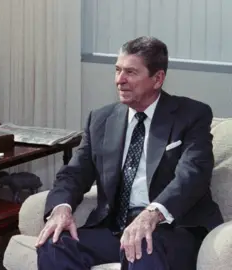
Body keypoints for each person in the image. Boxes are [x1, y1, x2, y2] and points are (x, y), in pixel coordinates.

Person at [35, 36, 223, 270]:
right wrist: (61, 208)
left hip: (172, 230)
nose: (119, 80)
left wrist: (152, 213)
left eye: (131, 72)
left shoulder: (191, 115)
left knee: (143, 246)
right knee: (53, 244)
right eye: (117, 70)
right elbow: (73, 174)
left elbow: (192, 175)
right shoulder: (101, 120)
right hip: (116, 228)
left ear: (157, 79)